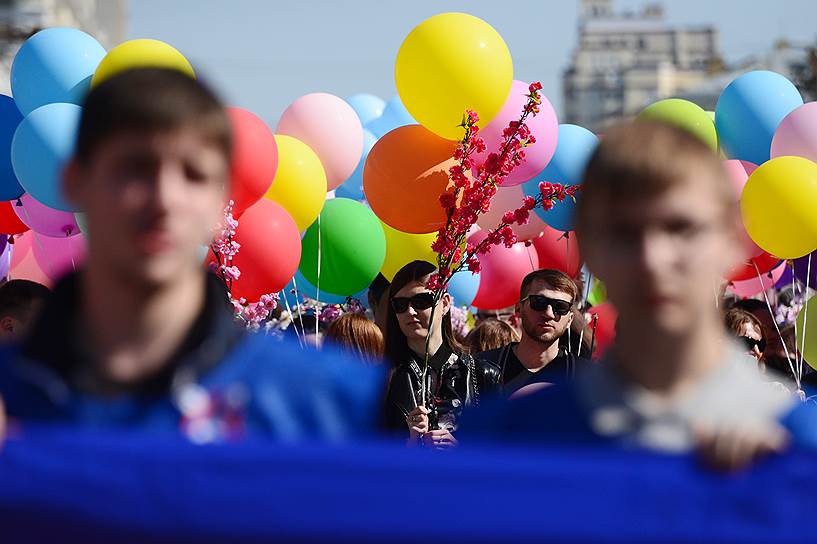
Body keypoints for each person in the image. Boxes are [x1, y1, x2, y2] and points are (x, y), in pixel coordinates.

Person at [0, 68, 382, 443]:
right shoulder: (11, 396)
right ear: (75, 182)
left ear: (220, 204)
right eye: (135, 169)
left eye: (193, 174)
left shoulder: (329, 405)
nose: (164, 199)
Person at [461, 121, 817, 470]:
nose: (653, 259)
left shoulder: (800, 444)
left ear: (731, 241)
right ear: (592, 248)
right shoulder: (505, 441)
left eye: (681, 228)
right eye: (625, 233)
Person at [383, 260, 499, 449]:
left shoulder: (482, 375)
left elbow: (500, 452)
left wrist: (461, 451)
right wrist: (410, 444)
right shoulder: (383, 378)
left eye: (421, 301)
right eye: (400, 304)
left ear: (444, 304)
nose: (410, 312)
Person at [478, 269, 590, 397]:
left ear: (570, 319)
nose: (548, 313)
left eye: (560, 306)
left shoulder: (585, 376)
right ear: (519, 309)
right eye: (539, 302)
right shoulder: (482, 367)